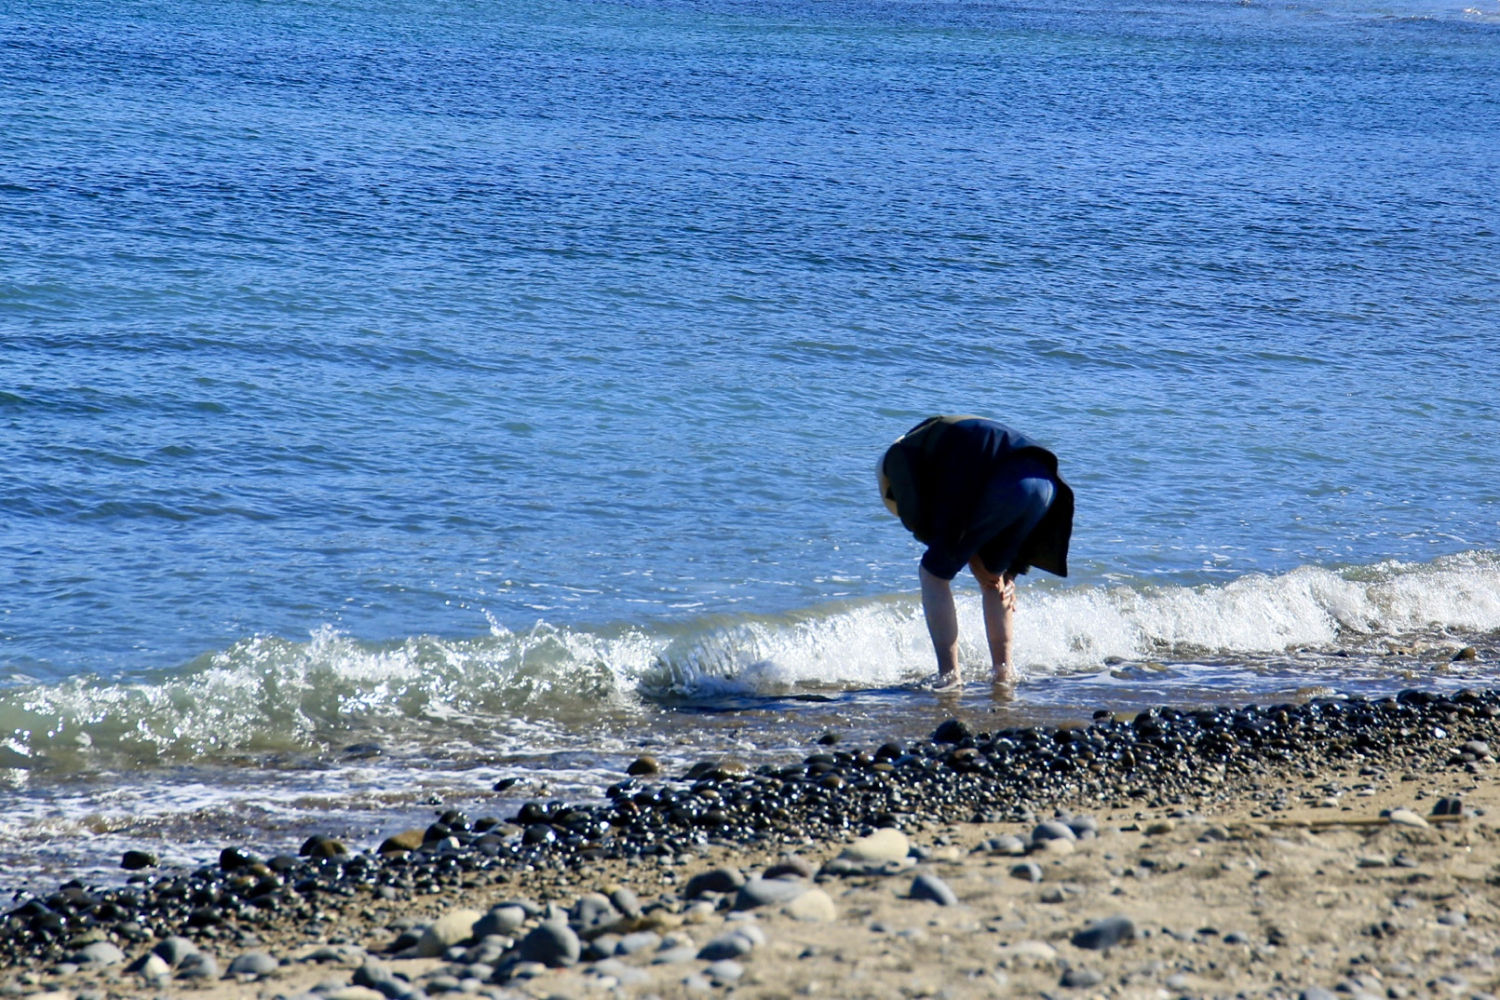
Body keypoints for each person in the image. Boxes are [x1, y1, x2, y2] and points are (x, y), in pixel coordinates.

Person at [878, 415, 1074, 688]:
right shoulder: (936, 436)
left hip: (1004, 485)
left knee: (933, 573)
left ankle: (949, 675)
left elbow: (927, 525)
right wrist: (1010, 570)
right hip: (1048, 486)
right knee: (996, 580)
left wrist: (966, 554)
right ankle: (1004, 673)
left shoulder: (897, 459)